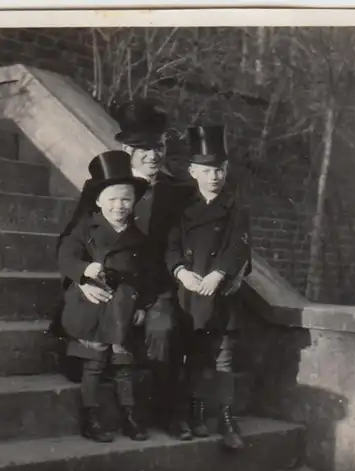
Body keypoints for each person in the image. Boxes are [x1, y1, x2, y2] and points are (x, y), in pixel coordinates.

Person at [75, 98, 196, 439]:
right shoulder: (102, 188)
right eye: (143, 148)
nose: (153, 155)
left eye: (158, 147)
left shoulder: (178, 193)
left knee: (164, 329)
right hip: (111, 285)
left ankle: (168, 413)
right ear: (126, 148)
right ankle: (100, 410)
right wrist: (83, 278)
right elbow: (76, 239)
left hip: (156, 288)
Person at [166, 125, 252, 450]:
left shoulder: (235, 209)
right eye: (205, 170)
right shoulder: (182, 209)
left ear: (226, 170)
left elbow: (240, 246)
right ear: (192, 172)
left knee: (222, 358)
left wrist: (220, 273)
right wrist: (180, 272)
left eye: (218, 169)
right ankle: (194, 412)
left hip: (220, 291)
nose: (213, 176)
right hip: (189, 291)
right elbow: (171, 246)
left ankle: (228, 417)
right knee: (192, 356)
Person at [57, 149, 151, 443]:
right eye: (112, 199)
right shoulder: (85, 229)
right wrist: (85, 270)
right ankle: (91, 415)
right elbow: (66, 257)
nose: (119, 205)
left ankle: (129, 414)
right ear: (98, 201)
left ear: (134, 201)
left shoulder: (139, 237)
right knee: (94, 361)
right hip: (92, 304)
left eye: (126, 198)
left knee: (124, 364)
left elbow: (147, 275)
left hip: (123, 306)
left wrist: (144, 304)